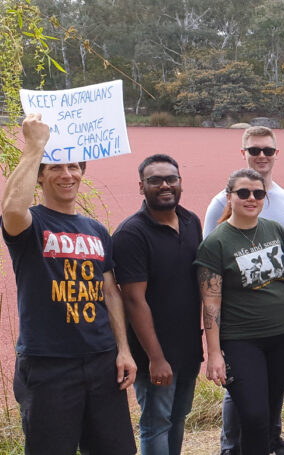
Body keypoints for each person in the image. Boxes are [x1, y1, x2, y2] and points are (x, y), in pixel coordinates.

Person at [2, 114, 137, 453]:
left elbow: (110, 292)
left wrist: (123, 350)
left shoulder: (96, 230)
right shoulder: (30, 225)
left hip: (102, 360)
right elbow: (11, 210)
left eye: (74, 167)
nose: (68, 174)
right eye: (56, 168)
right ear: (40, 177)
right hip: (48, 364)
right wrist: (34, 148)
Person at [204, 126, 284, 455]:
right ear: (229, 197)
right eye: (243, 193)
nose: (251, 199)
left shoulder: (274, 228)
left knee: (270, 407)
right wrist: (214, 353)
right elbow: (211, 301)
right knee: (254, 414)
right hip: (242, 338)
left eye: (258, 194)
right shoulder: (217, 241)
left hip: (283, 335)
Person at [114, 154, 203, 455]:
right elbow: (134, 300)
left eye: (171, 179)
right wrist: (155, 358)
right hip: (154, 354)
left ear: (180, 182)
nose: (164, 185)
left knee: (177, 418)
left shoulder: (192, 222)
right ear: (141, 187)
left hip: (188, 349)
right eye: (155, 180)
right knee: (155, 423)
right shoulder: (131, 234)